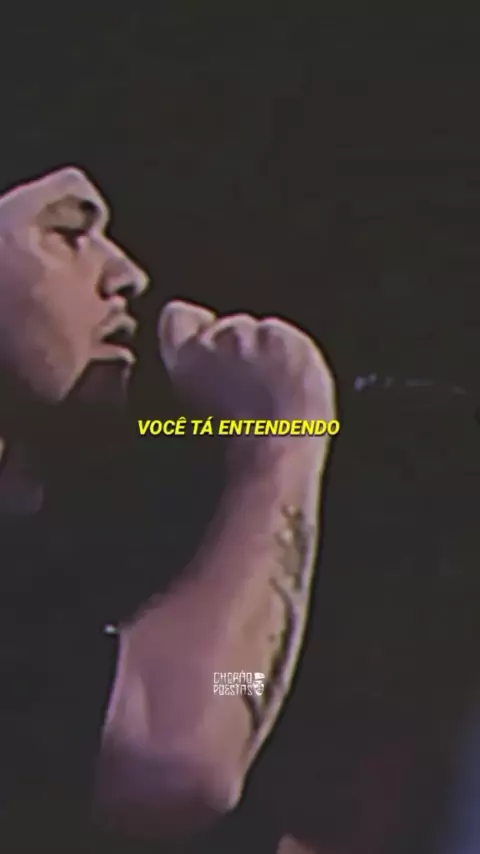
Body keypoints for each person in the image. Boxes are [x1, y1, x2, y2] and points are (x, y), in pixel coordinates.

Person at [0, 166, 336, 848]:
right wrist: (281, 441)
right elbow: (178, 762)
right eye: (68, 233)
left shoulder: (56, 568)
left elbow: (226, 696)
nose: (128, 275)